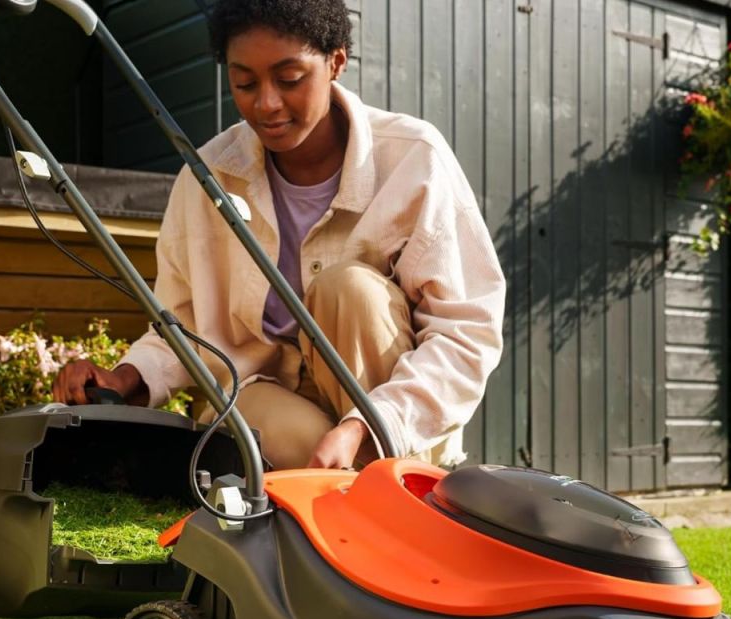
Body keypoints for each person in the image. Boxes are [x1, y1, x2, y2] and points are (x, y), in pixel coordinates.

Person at [53, 0, 506, 471]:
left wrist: (367, 426)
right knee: (312, 457)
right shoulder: (206, 179)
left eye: (289, 79)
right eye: (244, 83)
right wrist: (124, 377)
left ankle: (388, 485)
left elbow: (464, 333)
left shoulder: (413, 159)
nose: (266, 103)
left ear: (336, 61)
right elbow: (182, 325)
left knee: (348, 289)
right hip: (264, 395)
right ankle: (360, 503)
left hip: (388, 408)